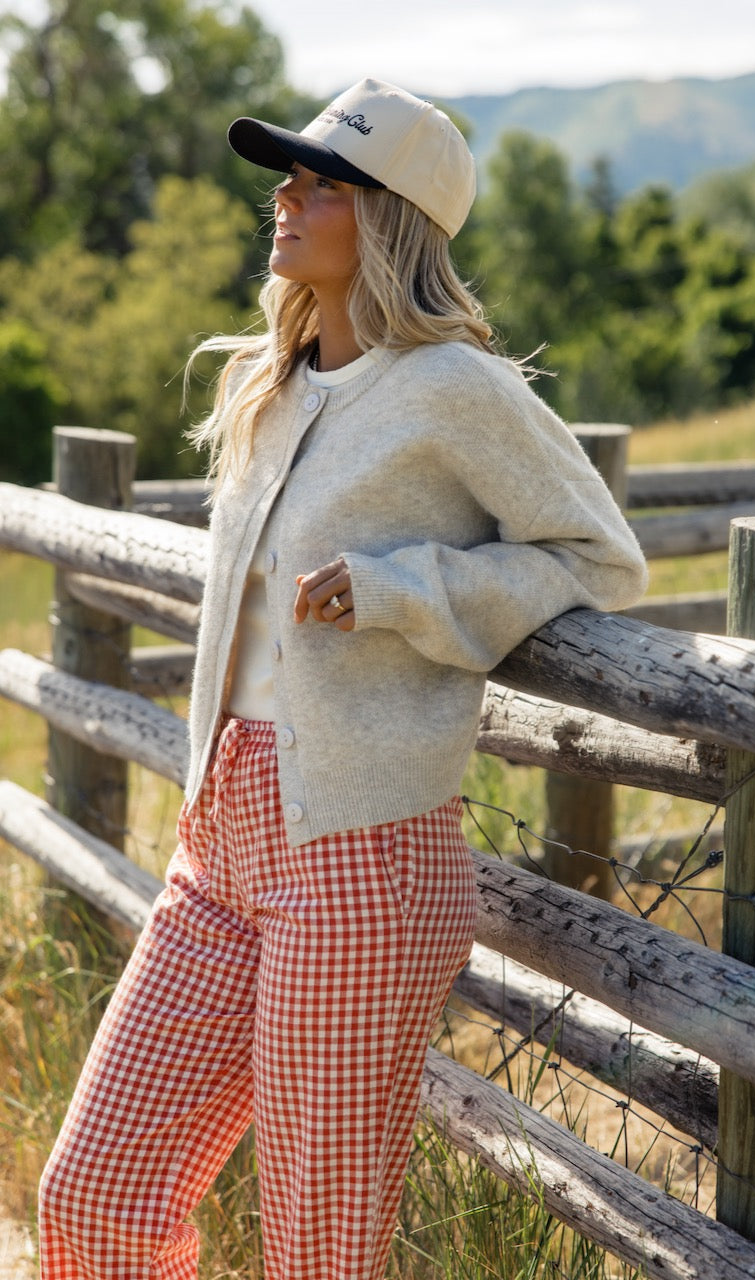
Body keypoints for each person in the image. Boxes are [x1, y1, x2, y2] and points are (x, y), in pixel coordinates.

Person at [39, 78, 648, 1280]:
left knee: (315, 1248)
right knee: (96, 1189)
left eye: (322, 181)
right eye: (288, 174)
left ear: (393, 220)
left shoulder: (456, 389)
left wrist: (401, 586)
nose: (287, 195)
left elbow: (598, 554)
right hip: (221, 835)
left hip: (362, 851)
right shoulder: (268, 386)